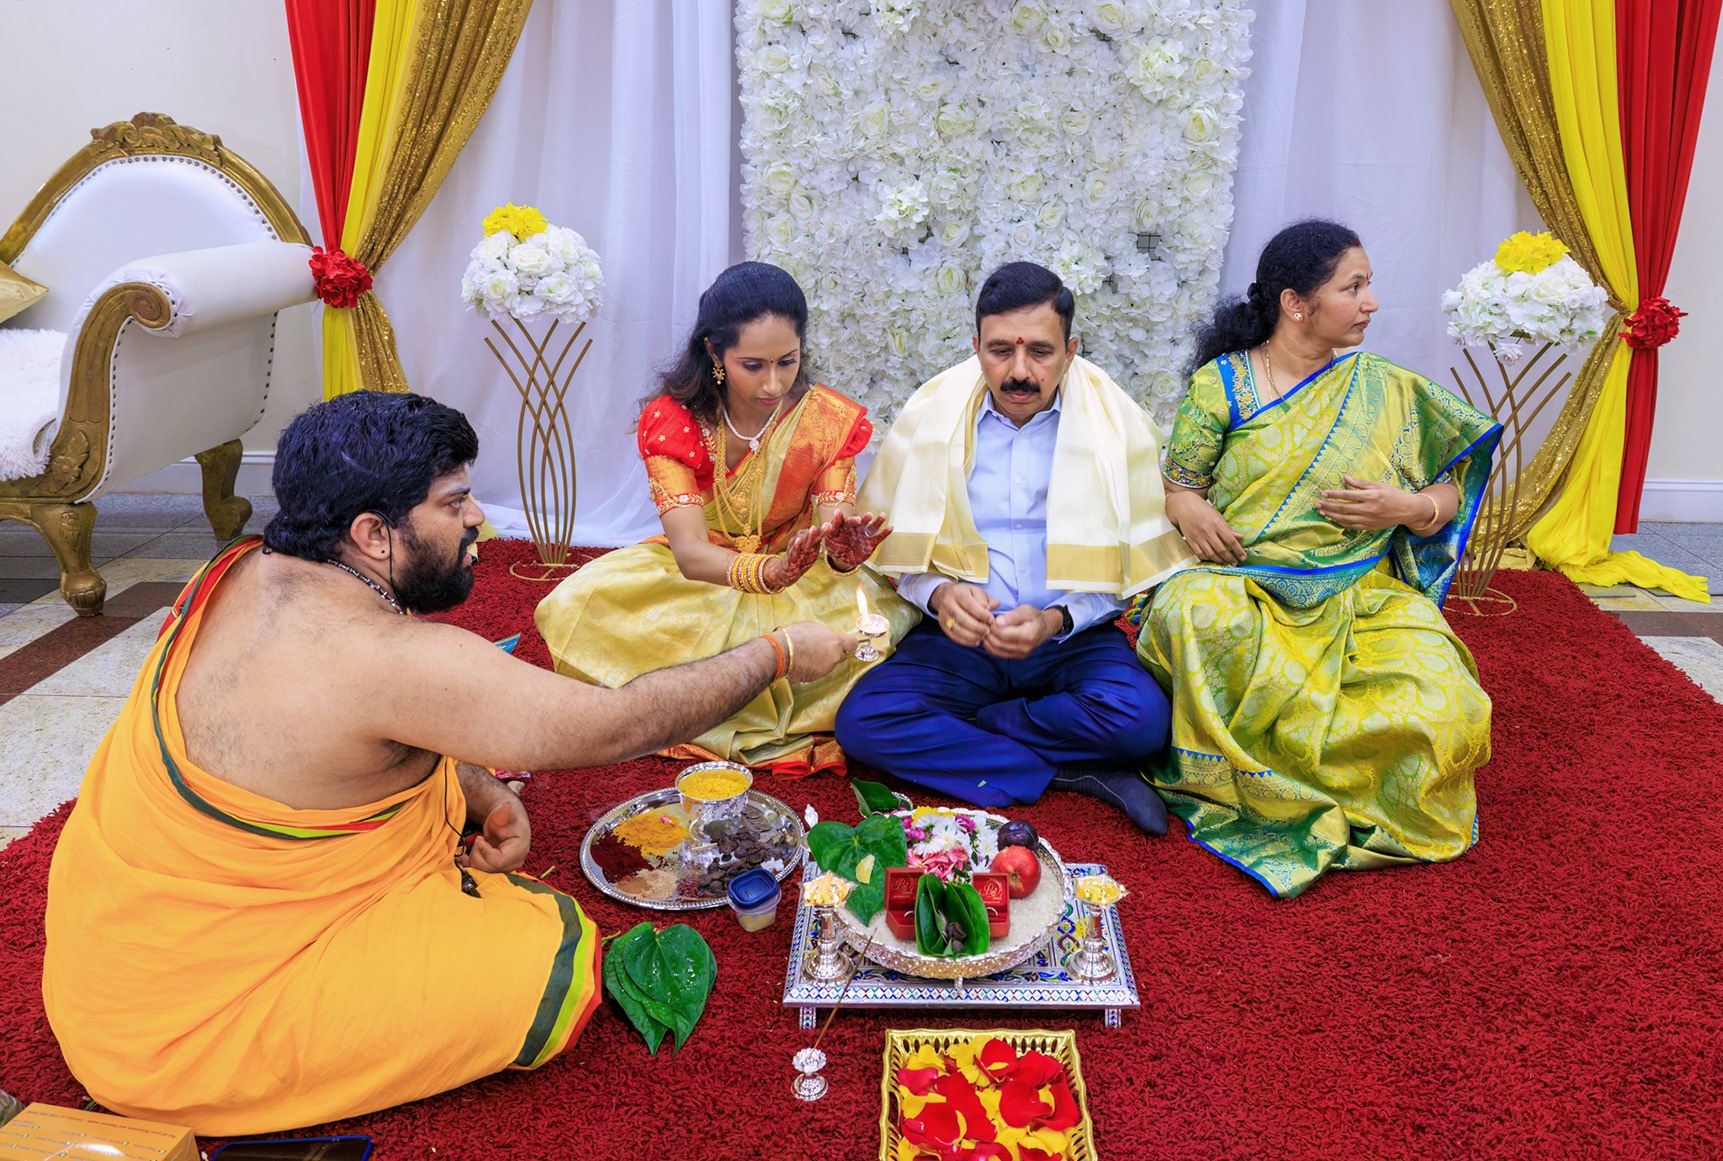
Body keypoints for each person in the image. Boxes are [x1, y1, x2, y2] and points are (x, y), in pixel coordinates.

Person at [41, 391, 855, 1135]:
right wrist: (777, 652)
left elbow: (337, 733)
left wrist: (470, 785)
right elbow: (612, 725)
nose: (479, 522)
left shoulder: (238, 571)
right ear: (373, 534)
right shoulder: (385, 657)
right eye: (453, 503)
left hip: (108, 961)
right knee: (542, 960)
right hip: (189, 1027)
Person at [1136, 219, 1501, 897]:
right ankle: (1254, 782)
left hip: (1357, 591)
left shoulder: (1385, 388)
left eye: (1368, 286)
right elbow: (1176, 482)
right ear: (1295, 303)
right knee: (1192, 615)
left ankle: (1307, 784)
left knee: (1449, 708)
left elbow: (1452, 486)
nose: (1371, 303)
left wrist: (1407, 507)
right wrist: (1185, 504)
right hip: (1242, 585)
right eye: (1353, 287)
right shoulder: (1224, 385)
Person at [836, 261, 1193, 833]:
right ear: (976, 347)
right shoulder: (932, 420)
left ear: (1070, 352)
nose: (1020, 371)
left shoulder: (1114, 427)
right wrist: (941, 596)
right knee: (863, 723)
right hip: (961, 643)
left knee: (1144, 721)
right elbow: (896, 556)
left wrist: (1056, 620)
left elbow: (1130, 570)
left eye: (1041, 352)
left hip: (1071, 642)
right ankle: (1070, 772)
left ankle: (972, 732)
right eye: (1001, 350)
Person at [534, 262, 917, 774]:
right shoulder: (675, 421)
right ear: (714, 352)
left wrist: (842, 555)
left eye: (787, 362)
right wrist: (765, 572)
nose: (773, 383)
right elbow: (691, 553)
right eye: (752, 365)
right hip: (707, 573)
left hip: (800, 572)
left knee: (873, 637)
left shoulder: (826, 421)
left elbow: (834, 524)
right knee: (574, 606)